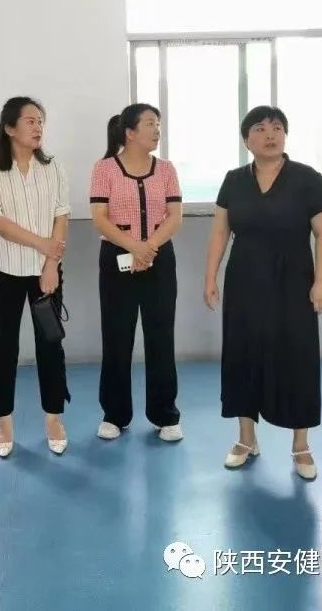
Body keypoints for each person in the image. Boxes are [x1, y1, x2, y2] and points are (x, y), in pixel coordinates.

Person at [204, 106, 322, 478]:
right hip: (244, 280)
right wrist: (210, 277)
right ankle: (246, 439)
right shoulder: (233, 180)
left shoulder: (309, 179)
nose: (270, 134)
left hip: (294, 281)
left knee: (297, 357)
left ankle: (301, 446)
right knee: (242, 355)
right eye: (260, 128)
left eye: (277, 127)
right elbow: (220, 231)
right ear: (247, 139)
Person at [0, 96, 70, 458]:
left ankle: (54, 418)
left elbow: (61, 214)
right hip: (6, 272)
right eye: (30, 121)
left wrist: (50, 264)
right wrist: (42, 244)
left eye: (41, 121)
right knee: (5, 346)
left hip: (46, 274)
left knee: (50, 344)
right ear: (9, 128)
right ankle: (3, 421)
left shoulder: (53, 167)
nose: (38, 127)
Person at [89, 104, 183, 442]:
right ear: (129, 132)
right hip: (117, 258)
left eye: (158, 124)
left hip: (159, 258)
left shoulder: (166, 169)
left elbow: (175, 216)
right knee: (117, 337)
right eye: (150, 124)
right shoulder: (104, 169)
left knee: (161, 337)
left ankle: (165, 415)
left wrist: (148, 247)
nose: (157, 130)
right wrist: (134, 246)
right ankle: (114, 415)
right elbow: (99, 218)